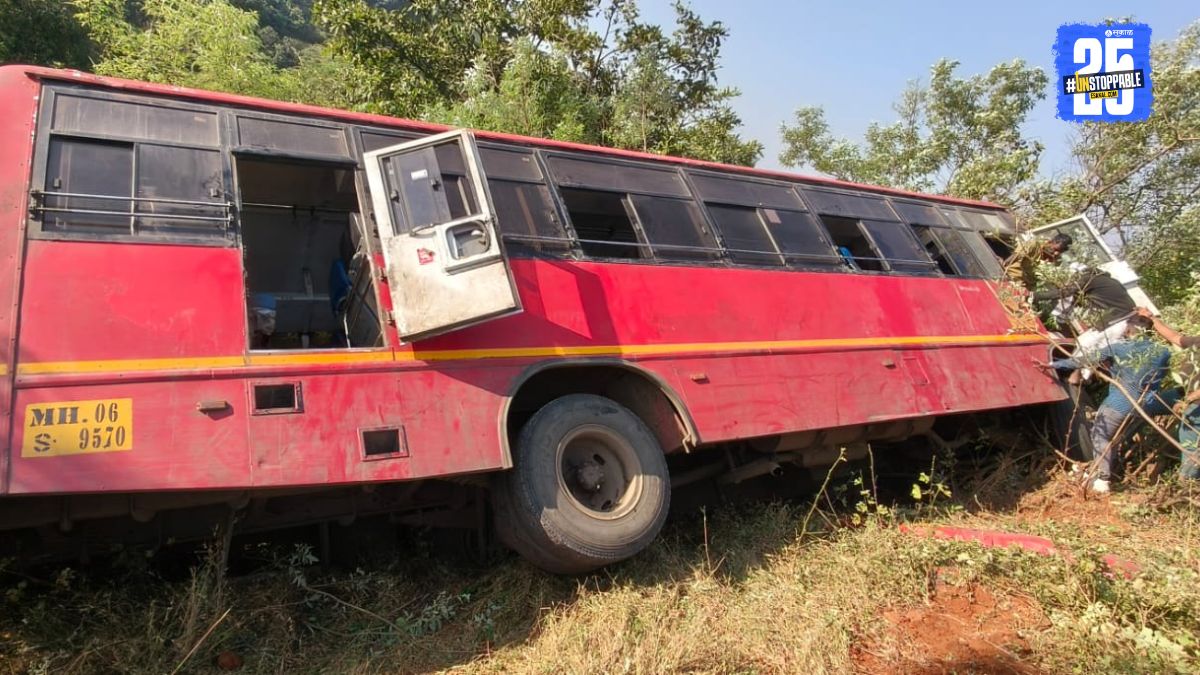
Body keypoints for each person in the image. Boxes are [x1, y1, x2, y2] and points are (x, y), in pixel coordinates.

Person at [1046, 314, 1171, 493]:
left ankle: (1102, 480)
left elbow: (1082, 360)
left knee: (1099, 435)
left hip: (1119, 402)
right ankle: (1111, 470)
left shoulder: (1119, 348)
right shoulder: (1163, 352)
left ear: (1129, 329)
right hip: (1145, 405)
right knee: (1119, 437)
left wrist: (1052, 365)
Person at [1135, 307, 1200, 481]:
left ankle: (1187, 485)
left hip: (1196, 405)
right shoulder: (1198, 340)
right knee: (1143, 406)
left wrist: (1188, 401)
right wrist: (1151, 318)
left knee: (1190, 444)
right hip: (1183, 393)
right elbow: (1174, 338)